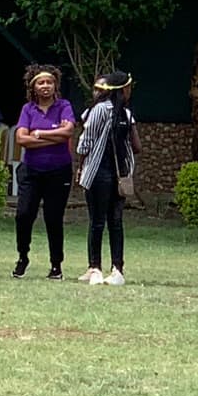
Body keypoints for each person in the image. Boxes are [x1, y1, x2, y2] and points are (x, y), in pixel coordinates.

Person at [12, 64, 76, 280]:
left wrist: (37, 134)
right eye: (41, 82)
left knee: (53, 217)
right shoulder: (28, 109)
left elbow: (68, 132)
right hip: (32, 170)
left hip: (59, 171)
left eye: (49, 82)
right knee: (23, 215)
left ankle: (56, 264)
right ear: (33, 87)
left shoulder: (64, 106)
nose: (46, 86)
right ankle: (23, 256)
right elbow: (21, 139)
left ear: (55, 85)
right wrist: (51, 136)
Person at [76, 71, 138, 286]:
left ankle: (95, 268)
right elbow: (136, 146)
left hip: (98, 172)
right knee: (116, 222)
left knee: (97, 222)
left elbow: (86, 141)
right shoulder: (126, 113)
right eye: (128, 87)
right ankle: (117, 269)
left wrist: (81, 163)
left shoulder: (99, 109)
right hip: (120, 173)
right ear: (122, 89)